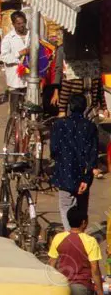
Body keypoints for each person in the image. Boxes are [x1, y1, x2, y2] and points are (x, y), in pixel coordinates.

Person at [48, 206, 107, 295]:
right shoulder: (90, 241)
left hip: (63, 287)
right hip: (82, 288)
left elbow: (51, 265)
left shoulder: (58, 238)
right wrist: (100, 294)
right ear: (84, 222)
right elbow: (95, 269)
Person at [50, 94, 100, 231]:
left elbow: (54, 150)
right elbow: (92, 154)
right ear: (84, 108)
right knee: (81, 209)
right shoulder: (90, 127)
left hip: (65, 173)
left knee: (66, 206)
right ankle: (80, 236)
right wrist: (86, 178)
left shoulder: (58, 125)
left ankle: (71, 237)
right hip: (83, 175)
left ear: (69, 108)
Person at [0, 10, 29, 116]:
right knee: (15, 109)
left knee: (29, 105)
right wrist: (19, 54)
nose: (21, 26)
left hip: (29, 77)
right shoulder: (8, 38)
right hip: (15, 77)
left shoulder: (31, 35)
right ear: (13, 24)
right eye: (18, 24)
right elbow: (5, 57)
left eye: (23, 23)